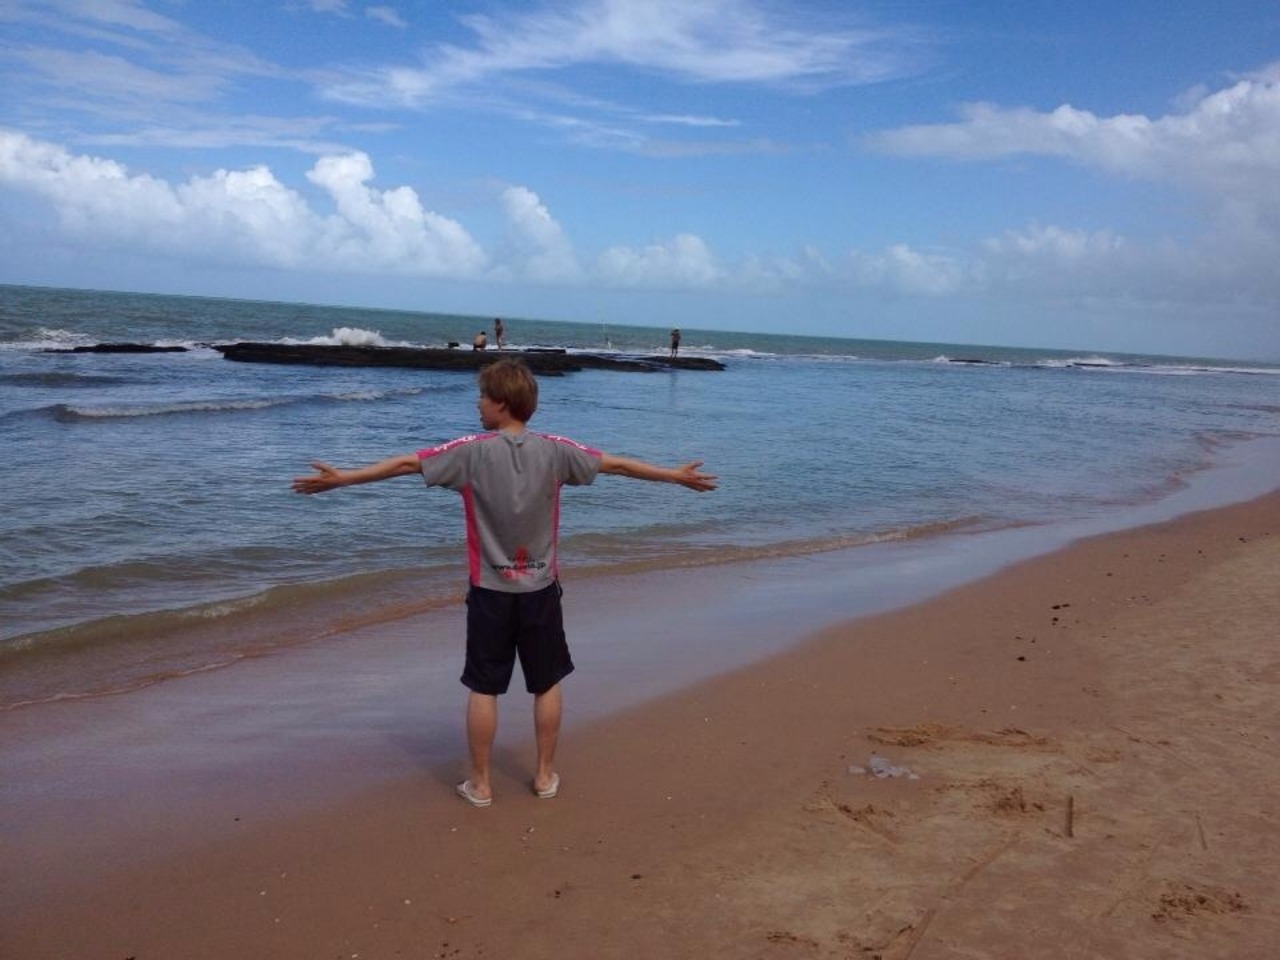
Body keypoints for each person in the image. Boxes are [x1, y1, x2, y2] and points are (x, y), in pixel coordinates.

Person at [291, 359, 716, 808]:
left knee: (484, 687)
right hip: (541, 592)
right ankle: (544, 776)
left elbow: (406, 463)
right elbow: (617, 465)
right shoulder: (555, 451)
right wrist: (674, 476)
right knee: (546, 683)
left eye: (482, 397)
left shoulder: (470, 452)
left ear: (501, 403)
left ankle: (481, 784)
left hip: (490, 593)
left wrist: (345, 479)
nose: (477, 405)